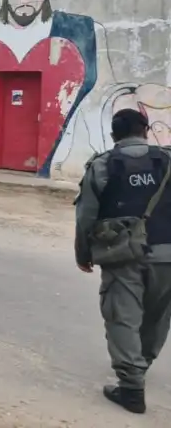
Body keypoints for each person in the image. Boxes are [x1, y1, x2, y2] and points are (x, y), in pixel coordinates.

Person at [75, 108, 171, 415]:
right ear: (146, 131)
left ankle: (131, 387)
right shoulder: (167, 160)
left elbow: (86, 216)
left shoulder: (103, 165)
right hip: (167, 254)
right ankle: (140, 364)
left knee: (122, 317)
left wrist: (83, 254)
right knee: (157, 316)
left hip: (122, 254)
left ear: (113, 134)